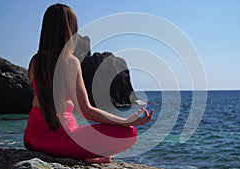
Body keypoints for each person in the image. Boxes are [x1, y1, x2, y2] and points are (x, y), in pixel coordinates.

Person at [23, 3, 153, 163]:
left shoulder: (35, 61)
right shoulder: (70, 62)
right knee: (129, 133)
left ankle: (84, 155)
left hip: (31, 138)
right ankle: (89, 159)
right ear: (70, 30)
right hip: (60, 141)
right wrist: (126, 121)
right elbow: (87, 111)